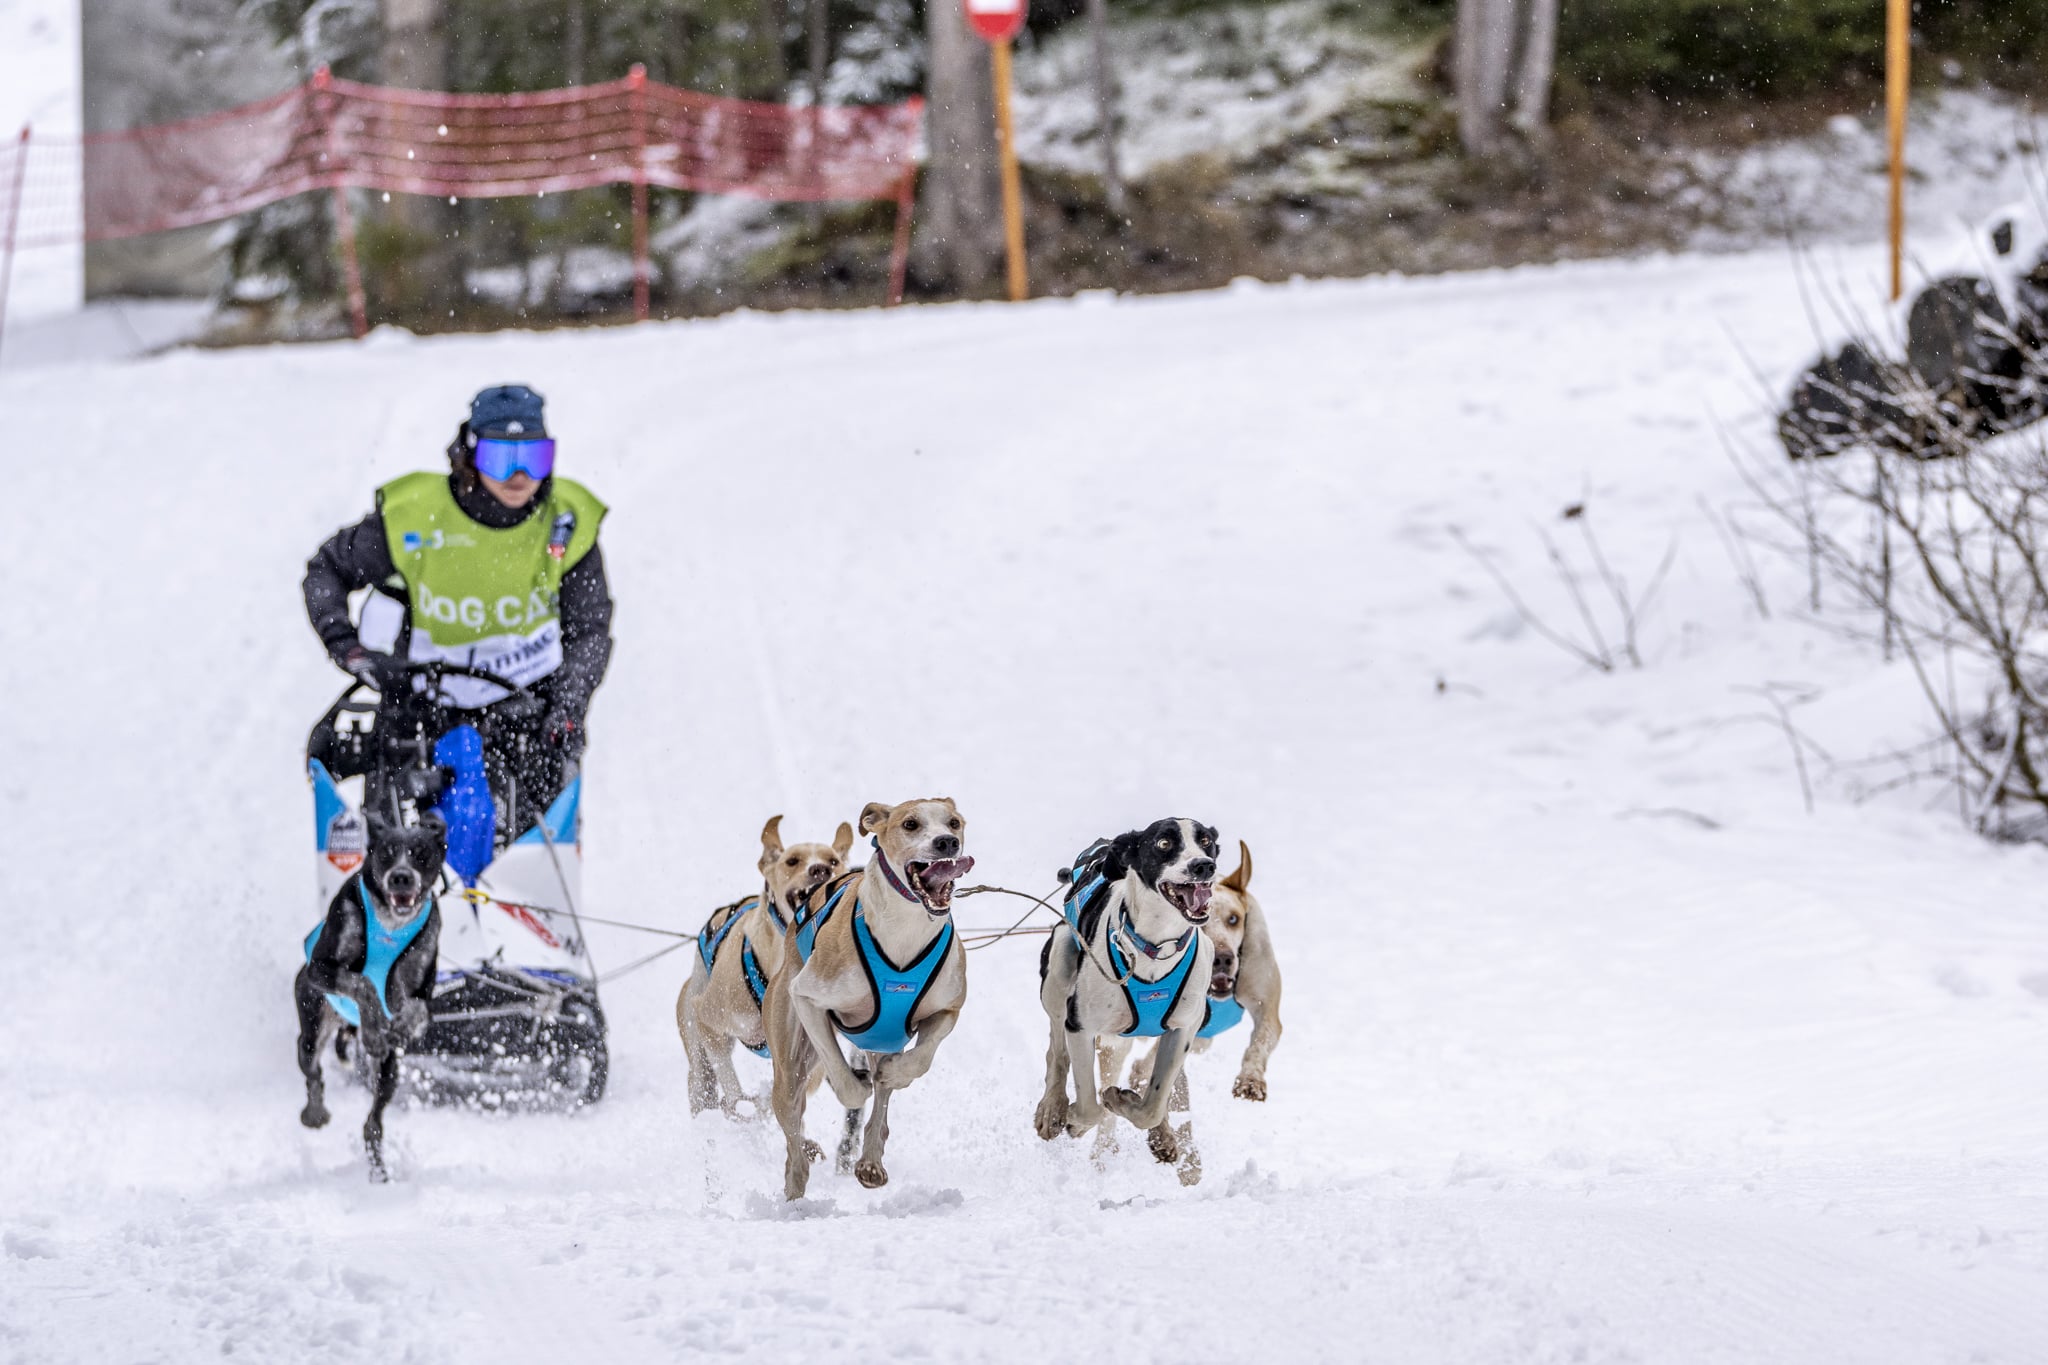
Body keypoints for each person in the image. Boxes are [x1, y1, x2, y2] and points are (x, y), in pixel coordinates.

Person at [303, 384, 613, 838]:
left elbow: (589, 629)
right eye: (502, 459)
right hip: (423, 700)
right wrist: (347, 648)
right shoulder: (417, 515)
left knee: (532, 842)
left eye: (535, 457)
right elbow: (326, 570)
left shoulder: (568, 522)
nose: (520, 476)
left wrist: (568, 703)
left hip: (528, 703)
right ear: (470, 453)